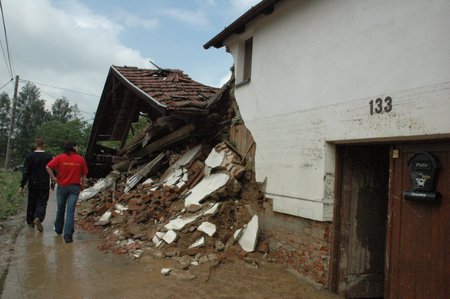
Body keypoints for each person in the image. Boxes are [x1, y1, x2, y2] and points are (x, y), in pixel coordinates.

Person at [46, 141, 88, 243]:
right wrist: (83, 185)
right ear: (73, 147)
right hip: (74, 187)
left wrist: (54, 178)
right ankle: (68, 235)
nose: (77, 148)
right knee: (70, 211)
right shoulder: (80, 159)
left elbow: (48, 167)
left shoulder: (60, 157)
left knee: (60, 209)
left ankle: (59, 229)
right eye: (77, 146)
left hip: (62, 187)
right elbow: (84, 175)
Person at [19, 138, 53, 232]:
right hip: (44, 183)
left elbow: (26, 171)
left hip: (32, 183)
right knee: (42, 201)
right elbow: (52, 170)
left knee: (31, 201)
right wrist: (53, 182)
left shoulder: (29, 156)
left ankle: (30, 221)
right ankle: (38, 217)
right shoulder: (48, 156)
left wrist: (22, 185)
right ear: (43, 145)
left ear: (35, 144)